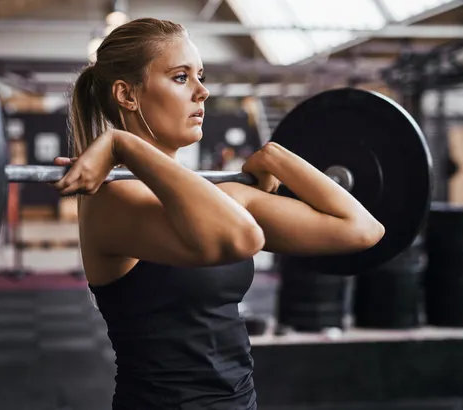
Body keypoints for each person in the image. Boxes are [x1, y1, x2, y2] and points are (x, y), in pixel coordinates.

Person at [50, 17, 384, 410]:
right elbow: (242, 238)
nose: (202, 92)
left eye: (201, 76)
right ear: (127, 94)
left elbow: (362, 229)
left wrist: (278, 156)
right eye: (180, 77)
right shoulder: (113, 201)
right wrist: (125, 146)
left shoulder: (219, 197)